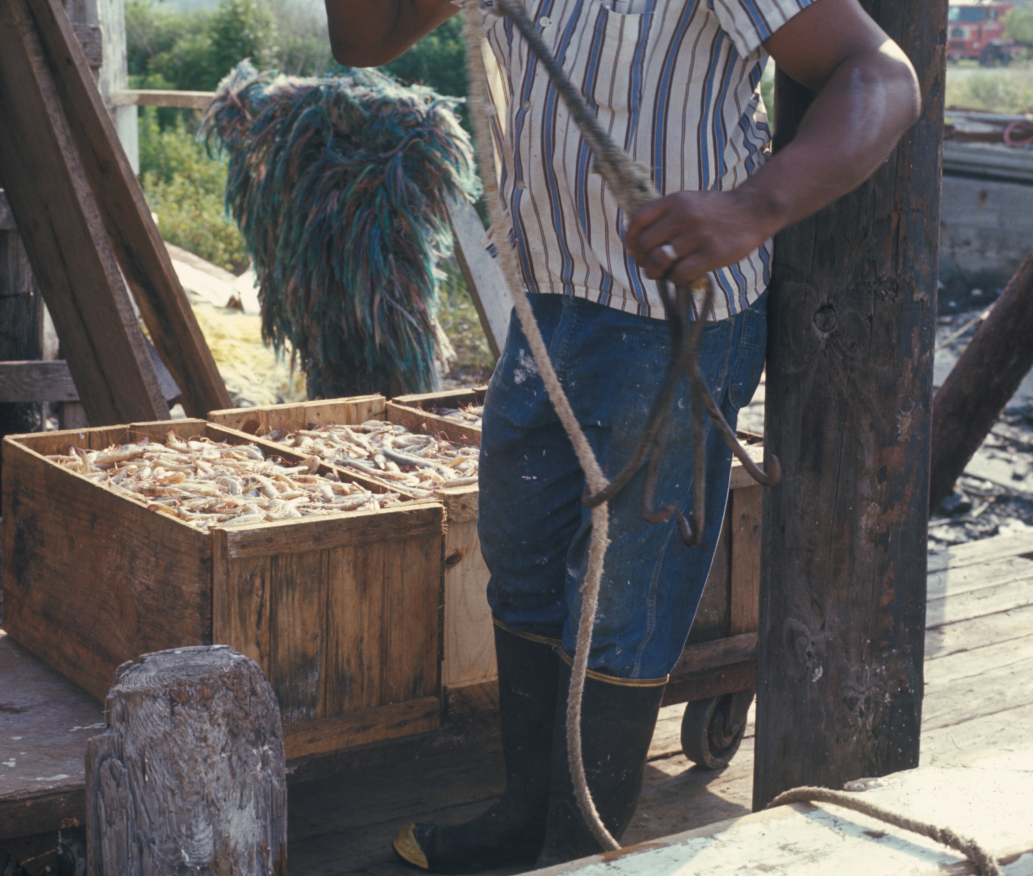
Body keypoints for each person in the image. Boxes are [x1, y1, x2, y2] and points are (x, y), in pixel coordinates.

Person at [323, 0, 922, 871]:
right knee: (523, 568)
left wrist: (752, 207)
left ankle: (575, 851)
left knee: (622, 605)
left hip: (668, 324)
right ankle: (526, 821)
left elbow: (881, 76)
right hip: (549, 304)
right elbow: (362, 41)